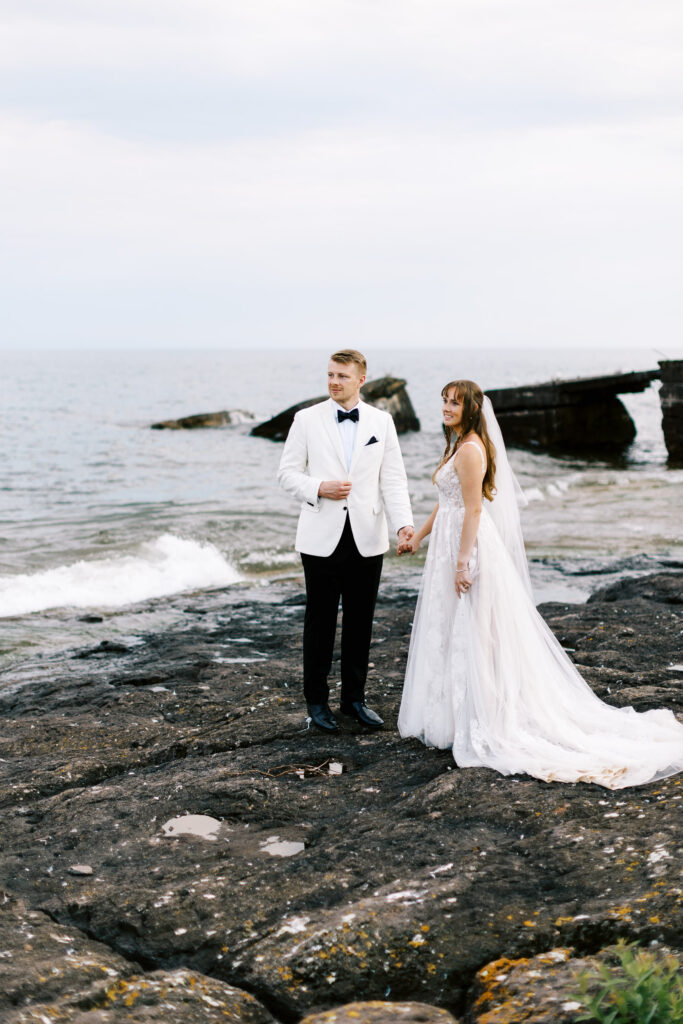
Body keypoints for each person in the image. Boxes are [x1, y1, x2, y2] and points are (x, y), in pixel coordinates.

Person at [397, 379, 683, 789]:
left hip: (469, 548)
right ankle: (454, 712)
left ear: (471, 409)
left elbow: (474, 510)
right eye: (443, 400)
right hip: (449, 542)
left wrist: (463, 561)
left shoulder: (472, 449)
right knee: (453, 626)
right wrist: (419, 536)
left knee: (478, 631)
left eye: (454, 402)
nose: (445, 407)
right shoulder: (457, 444)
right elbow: (447, 505)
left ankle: (485, 714)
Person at [278, 350, 414, 733]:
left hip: (368, 538)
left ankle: (354, 699)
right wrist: (320, 486)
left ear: (361, 379)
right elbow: (287, 474)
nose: (334, 382)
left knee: (361, 622)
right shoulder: (306, 419)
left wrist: (404, 525)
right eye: (330, 375)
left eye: (342, 376)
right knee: (319, 622)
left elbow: (393, 479)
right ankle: (317, 703)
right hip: (320, 538)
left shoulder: (382, 421)